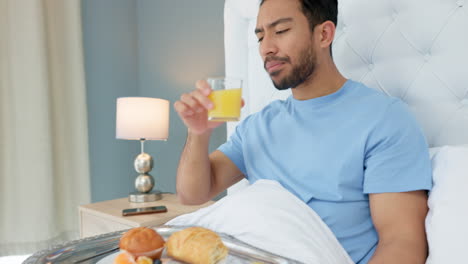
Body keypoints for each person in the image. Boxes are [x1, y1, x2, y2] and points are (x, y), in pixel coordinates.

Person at [173, 0, 432, 263]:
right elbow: (192, 193)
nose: (266, 48)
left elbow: (402, 242)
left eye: (281, 31)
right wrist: (198, 133)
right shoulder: (259, 125)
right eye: (260, 36)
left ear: (324, 34)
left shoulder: (383, 119)